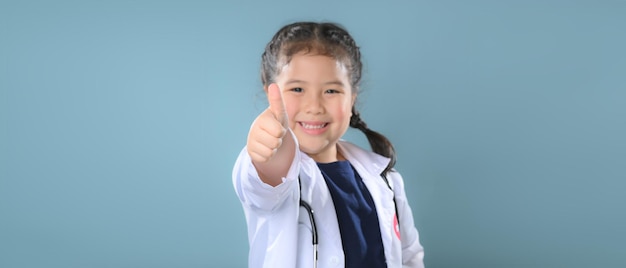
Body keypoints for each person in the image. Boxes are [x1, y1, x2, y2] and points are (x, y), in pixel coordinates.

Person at [232, 21, 425, 268]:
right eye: (297, 88)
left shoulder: (387, 179)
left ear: (352, 98)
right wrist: (264, 154)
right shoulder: (276, 171)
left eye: (331, 91)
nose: (314, 106)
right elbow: (263, 179)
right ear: (272, 93)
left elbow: (409, 256)